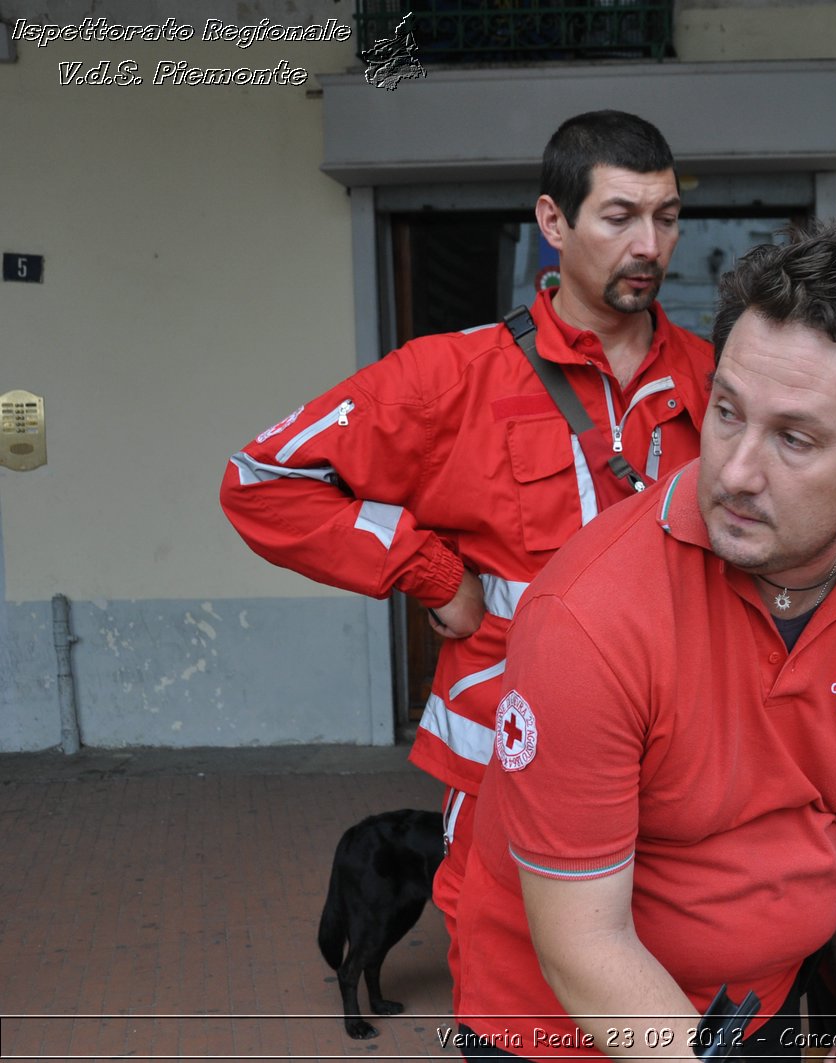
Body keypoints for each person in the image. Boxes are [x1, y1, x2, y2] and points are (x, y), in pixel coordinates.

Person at [450, 223, 836, 1061]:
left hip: (752, 1007)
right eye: (727, 410)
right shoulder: (588, 617)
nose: (736, 471)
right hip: (558, 1028)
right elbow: (583, 944)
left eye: (794, 437)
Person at [218, 110, 712, 1008]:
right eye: (620, 216)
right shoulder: (450, 377)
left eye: (668, 216)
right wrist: (429, 570)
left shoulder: (716, 382)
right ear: (553, 223)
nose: (651, 244)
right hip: (510, 760)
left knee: (668, 972)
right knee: (517, 979)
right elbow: (261, 477)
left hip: (679, 755)